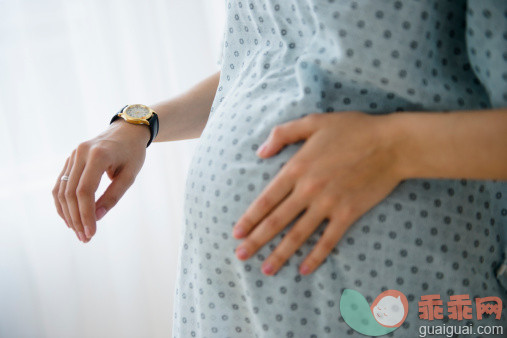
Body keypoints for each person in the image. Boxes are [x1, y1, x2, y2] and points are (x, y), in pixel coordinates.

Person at [53, 0, 507, 336]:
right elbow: (266, 66)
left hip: (389, 286)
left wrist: (392, 147)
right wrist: (140, 123)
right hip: (223, 300)